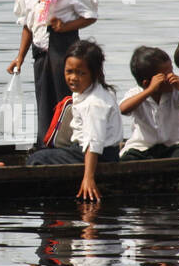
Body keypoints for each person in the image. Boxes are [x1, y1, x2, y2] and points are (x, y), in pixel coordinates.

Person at [7, 0, 98, 145]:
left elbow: (90, 16)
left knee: (65, 98)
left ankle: (70, 143)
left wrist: (66, 26)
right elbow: (28, 26)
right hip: (40, 54)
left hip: (65, 52)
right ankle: (44, 143)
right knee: (44, 99)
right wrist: (20, 56)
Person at [26, 39, 123, 202]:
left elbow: (94, 142)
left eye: (81, 73)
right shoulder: (87, 90)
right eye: (69, 71)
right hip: (88, 150)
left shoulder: (94, 103)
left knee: (37, 159)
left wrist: (88, 178)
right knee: (42, 152)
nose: (73, 78)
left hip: (100, 155)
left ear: (94, 73)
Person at [119, 46, 179, 160]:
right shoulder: (136, 94)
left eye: (172, 71)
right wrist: (149, 91)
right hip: (142, 147)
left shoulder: (175, 92)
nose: (172, 77)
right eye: (166, 75)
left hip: (171, 146)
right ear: (147, 83)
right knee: (127, 159)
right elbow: (123, 109)